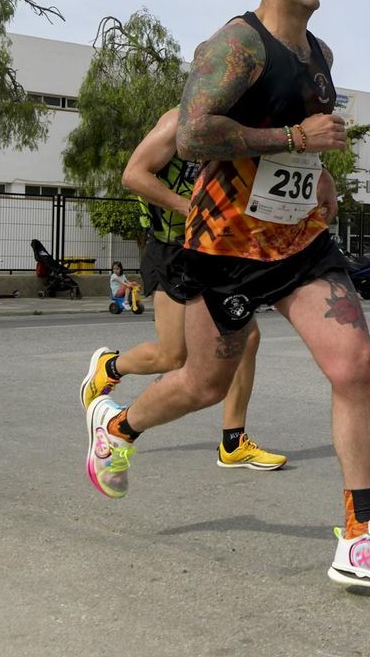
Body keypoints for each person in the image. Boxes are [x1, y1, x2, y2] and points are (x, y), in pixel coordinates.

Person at [81, 0, 370, 592]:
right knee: (203, 384)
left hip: (299, 242)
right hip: (226, 247)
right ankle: (118, 427)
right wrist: (296, 137)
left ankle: (359, 538)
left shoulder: (321, 55)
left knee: (357, 364)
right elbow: (193, 135)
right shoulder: (237, 45)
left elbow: (305, 145)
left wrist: (319, 175)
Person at [81, 108, 287, 471]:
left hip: (215, 248)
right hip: (172, 250)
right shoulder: (179, 122)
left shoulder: (242, 126)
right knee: (173, 356)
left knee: (246, 338)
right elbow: (133, 175)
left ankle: (233, 442)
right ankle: (110, 366)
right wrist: (190, 209)